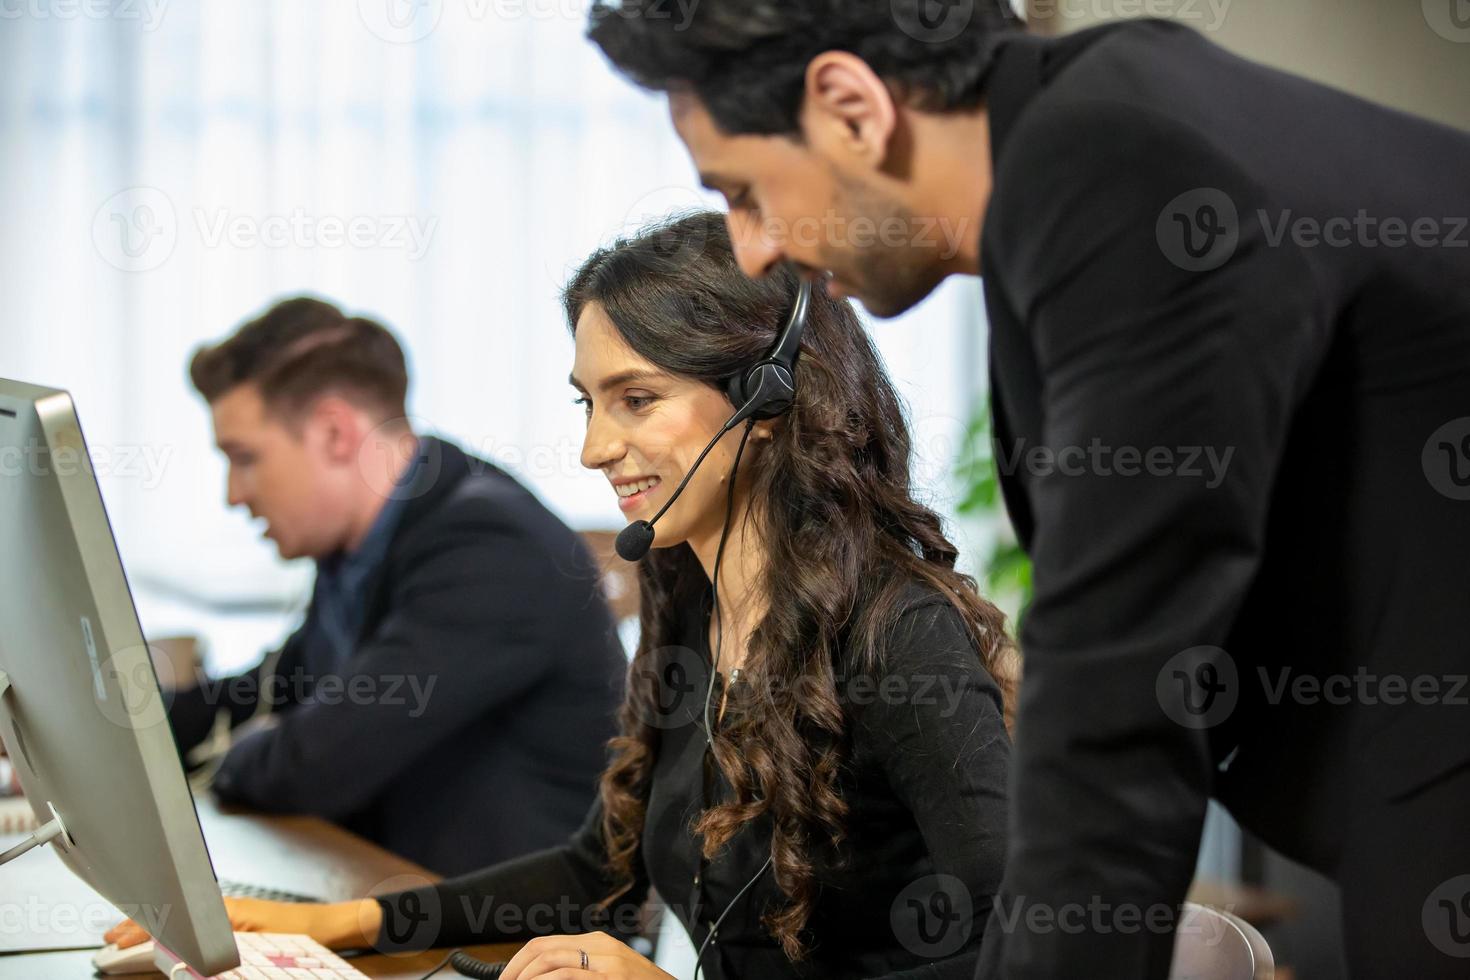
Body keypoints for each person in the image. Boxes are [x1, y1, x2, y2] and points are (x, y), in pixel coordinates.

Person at [586, 5, 1470, 976]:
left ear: (850, 105)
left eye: (745, 191)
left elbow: (1115, 715)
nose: (753, 247)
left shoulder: (1118, 169)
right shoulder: (1102, 127)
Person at [111, 212, 1015, 978]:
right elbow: (599, 867)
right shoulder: (695, 596)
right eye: (588, 402)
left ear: (765, 400)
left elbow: (1024, 942)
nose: (593, 449)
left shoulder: (899, 635)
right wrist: (338, 926)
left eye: (636, 399)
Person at [167, 296, 626, 876]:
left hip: (509, 949)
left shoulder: (489, 548)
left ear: (335, 433)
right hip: (397, 898)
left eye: (244, 458)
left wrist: (233, 759)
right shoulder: (367, 544)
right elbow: (273, 689)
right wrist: (117, 723)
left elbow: (318, 762)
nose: (234, 493)